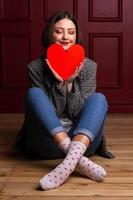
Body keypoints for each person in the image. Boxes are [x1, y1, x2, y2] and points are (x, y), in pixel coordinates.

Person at [14, 11, 115, 190]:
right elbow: (53, 113)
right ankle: (74, 160)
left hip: (84, 142)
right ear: (50, 34)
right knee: (34, 94)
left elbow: (76, 112)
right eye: (59, 31)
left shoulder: (89, 67)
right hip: (48, 143)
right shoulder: (35, 68)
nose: (66, 37)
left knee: (99, 98)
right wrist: (60, 84)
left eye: (71, 32)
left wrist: (69, 84)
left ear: (77, 35)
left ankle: (68, 163)